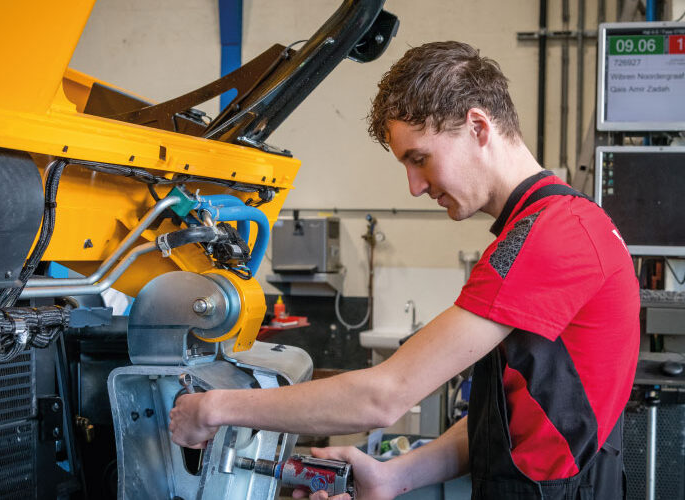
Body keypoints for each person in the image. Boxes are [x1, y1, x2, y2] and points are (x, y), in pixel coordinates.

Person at [169, 41, 639, 500]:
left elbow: (383, 397)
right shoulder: (550, 226)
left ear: (478, 126)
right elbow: (510, 424)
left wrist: (214, 408)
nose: (414, 187)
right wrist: (393, 477)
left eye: (419, 158)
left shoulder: (553, 235)